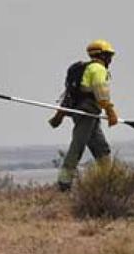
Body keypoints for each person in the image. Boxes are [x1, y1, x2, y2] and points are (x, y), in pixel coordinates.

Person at [50, 40, 120, 191]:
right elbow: (101, 94)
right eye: (109, 55)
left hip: (90, 113)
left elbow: (70, 94)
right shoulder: (98, 69)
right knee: (77, 147)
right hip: (87, 112)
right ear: (102, 55)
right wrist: (110, 111)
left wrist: (60, 115)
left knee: (101, 148)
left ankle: (108, 181)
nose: (111, 59)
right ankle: (64, 184)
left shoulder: (84, 68)